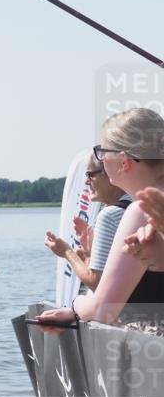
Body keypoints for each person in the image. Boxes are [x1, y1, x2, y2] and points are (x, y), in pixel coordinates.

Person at [37, 108, 164, 329]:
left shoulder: (140, 210)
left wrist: (75, 305)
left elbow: (102, 310)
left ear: (124, 161)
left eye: (102, 151)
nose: (102, 159)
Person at [44, 153, 130, 291]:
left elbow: (97, 283)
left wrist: (66, 252)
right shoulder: (141, 204)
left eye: (90, 174)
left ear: (109, 172)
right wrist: (90, 255)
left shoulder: (109, 216)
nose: (86, 181)